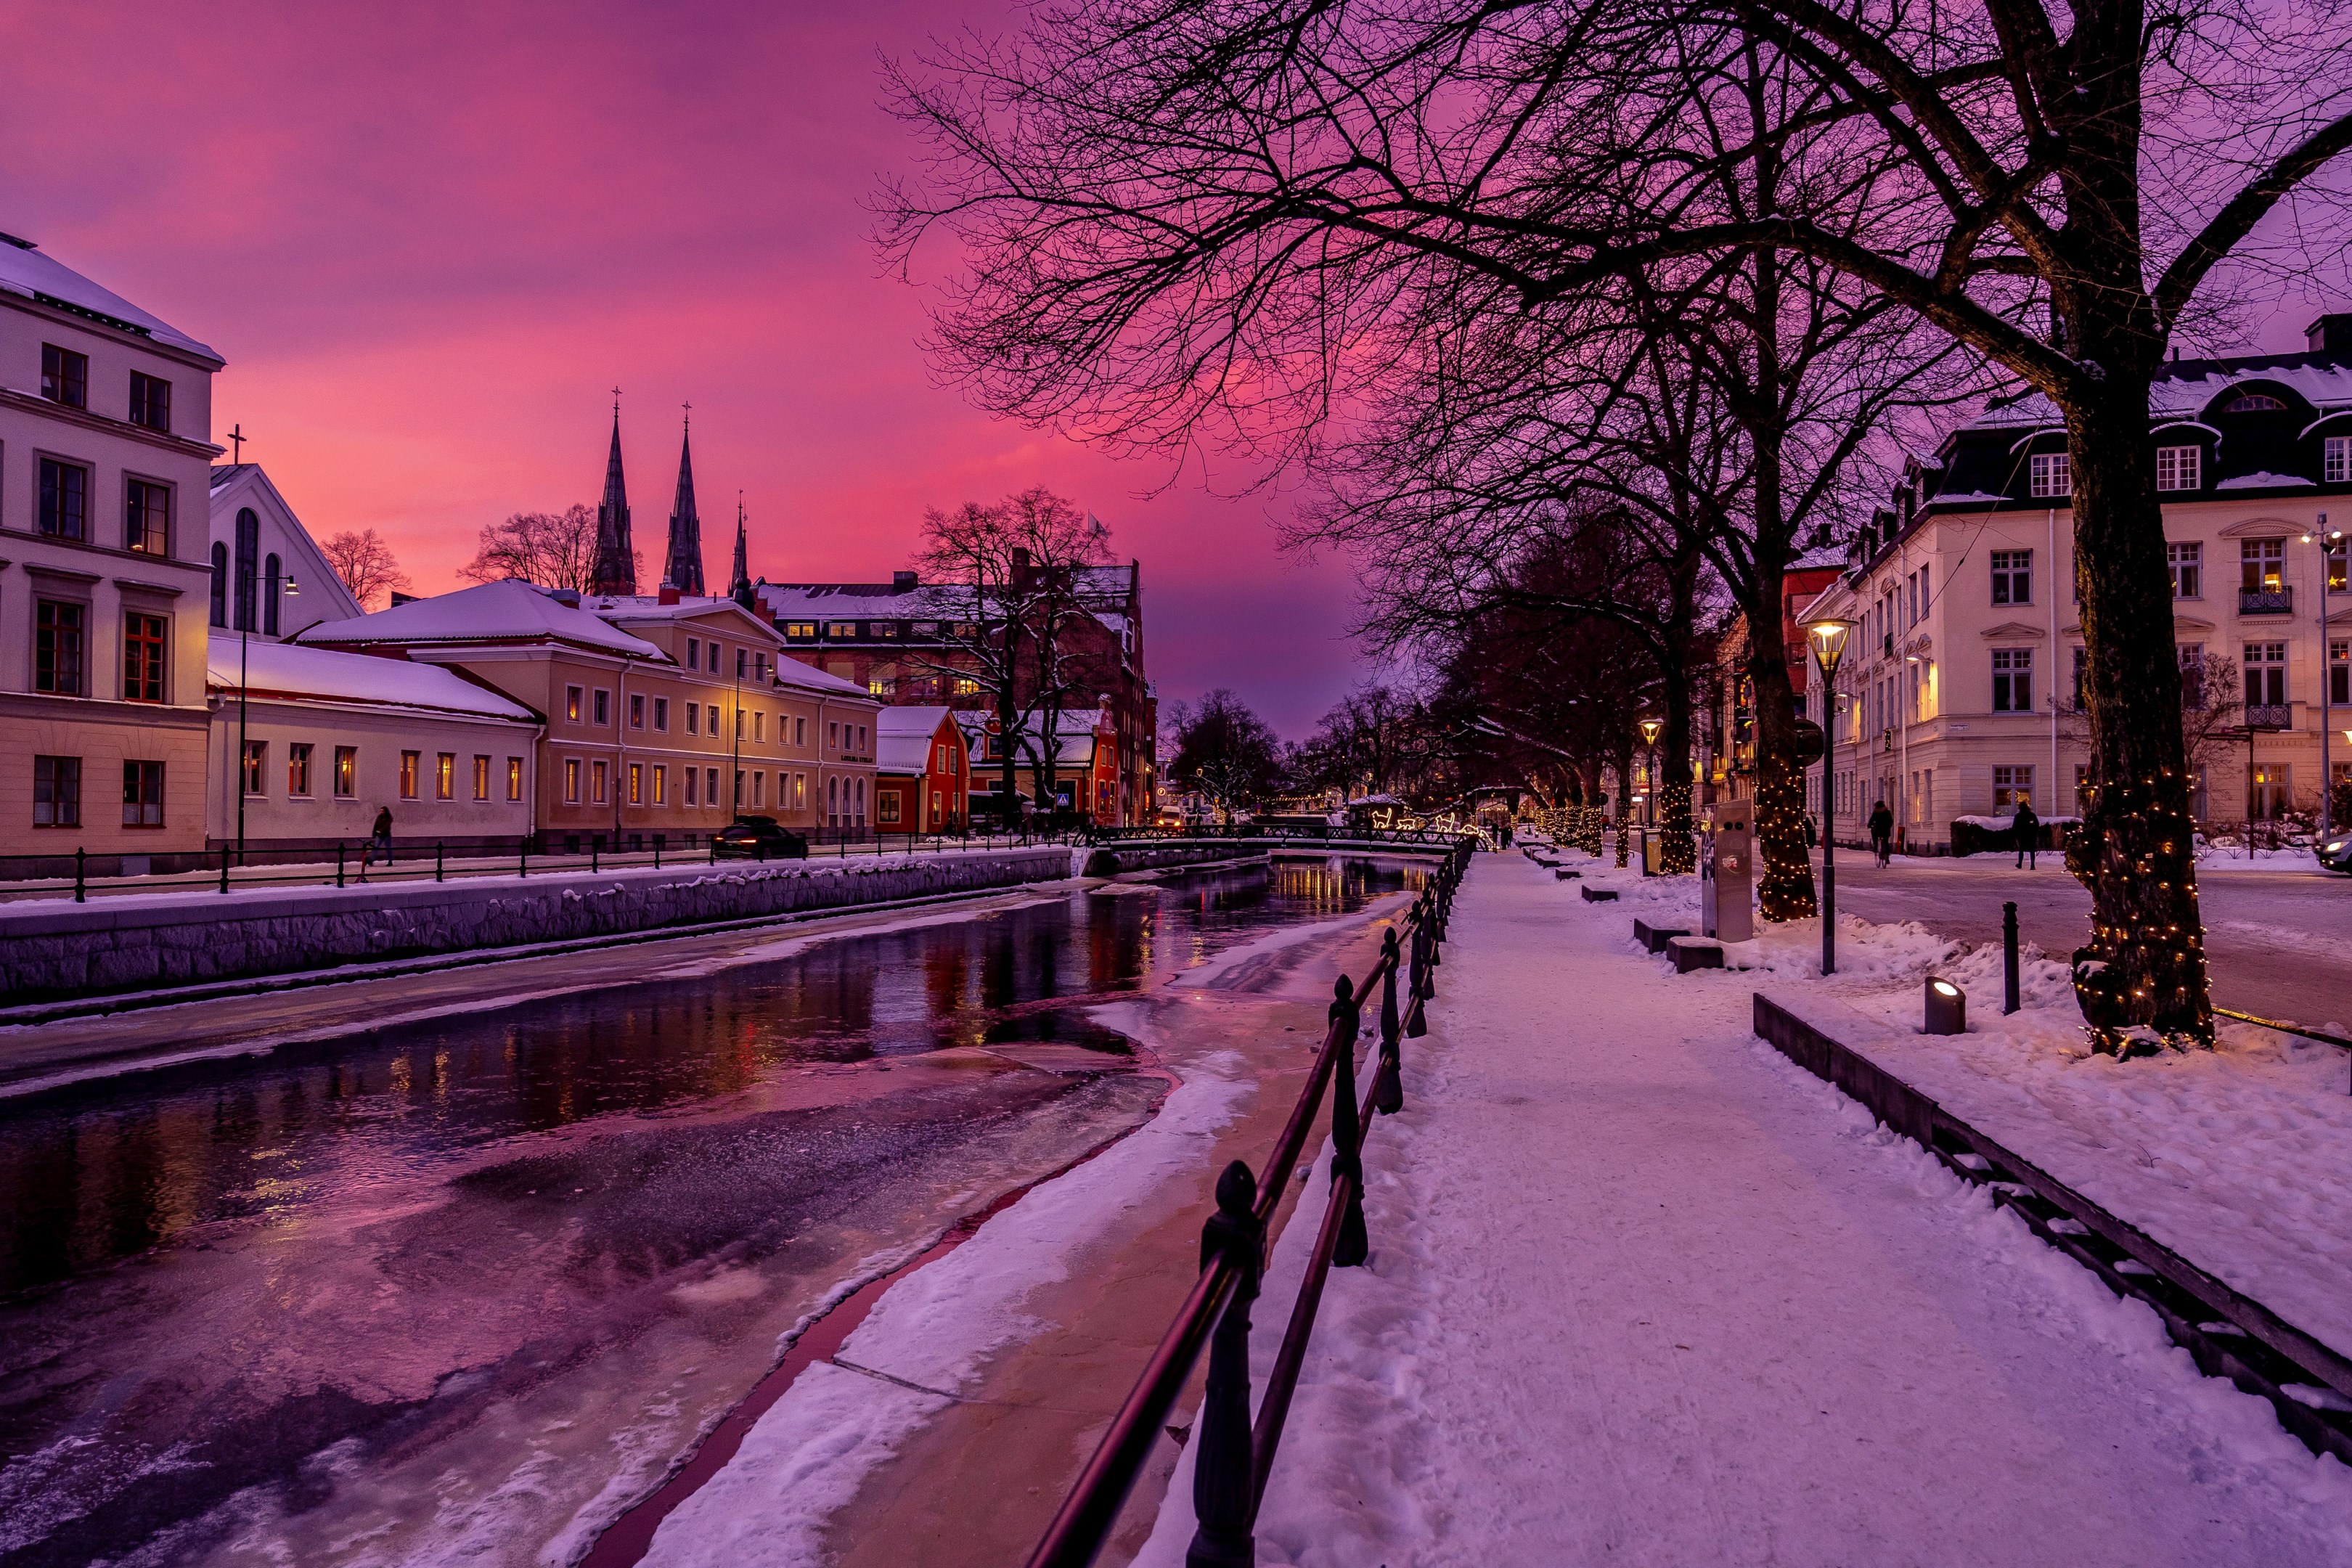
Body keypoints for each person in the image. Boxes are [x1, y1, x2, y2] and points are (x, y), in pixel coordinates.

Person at [359, 805, 393, 881]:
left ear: (386, 811)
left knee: (388, 848)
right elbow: (375, 825)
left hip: (386, 835)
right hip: (379, 835)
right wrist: (374, 834)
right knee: (376, 847)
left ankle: (390, 861)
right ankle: (371, 860)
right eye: (381, 811)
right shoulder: (379, 817)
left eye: (383, 811)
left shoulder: (389, 818)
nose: (381, 812)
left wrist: (381, 830)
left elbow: (387, 826)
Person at [2012, 796, 2041, 870]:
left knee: (2021, 850)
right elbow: (2037, 825)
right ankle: (2032, 865)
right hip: (2031, 835)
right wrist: (2036, 832)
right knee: (2032, 850)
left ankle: (2020, 864)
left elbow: (2015, 827)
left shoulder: (2018, 816)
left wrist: (2015, 834)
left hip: (2021, 836)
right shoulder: (2032, 815)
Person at [1867, 799, 1895, 867]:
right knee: (1885, 842)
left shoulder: (1876, 812)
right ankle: (1887, 855)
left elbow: (1871, 820)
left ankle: (1875, 846)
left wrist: (1869, 825)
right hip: (1886, 830)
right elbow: (1891, 821)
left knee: (1874, 835)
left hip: (1877, 830)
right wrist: (1888, 826)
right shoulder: (1887, 812)